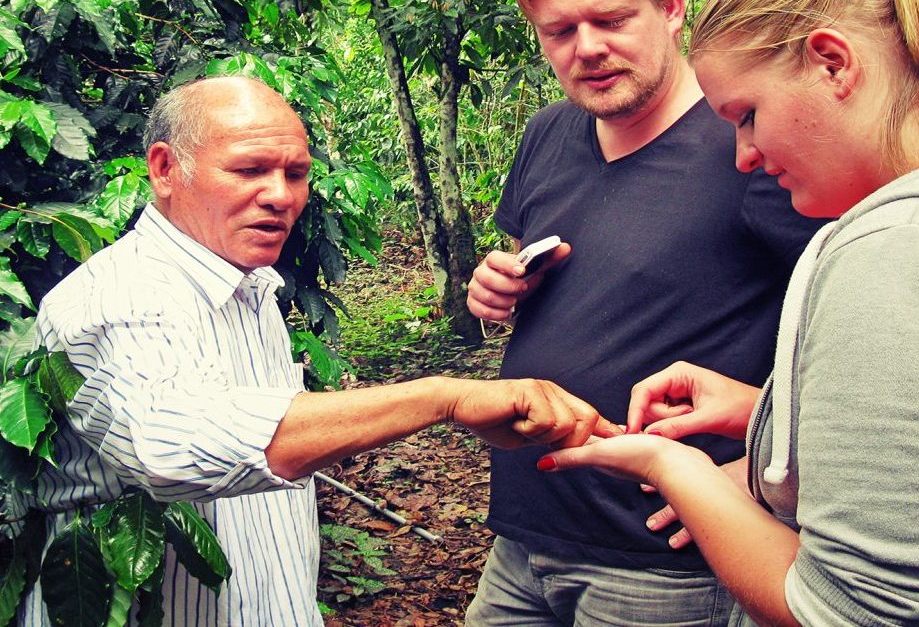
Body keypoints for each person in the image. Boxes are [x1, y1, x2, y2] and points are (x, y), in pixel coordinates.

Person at [540, 0, 919, 626]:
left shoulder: (901, 249)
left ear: (833, 64)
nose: (745, 155)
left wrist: (675, 468)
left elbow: (862, 613)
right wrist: (769, 415)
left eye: (748, 116)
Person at [20, 76, 620, 627]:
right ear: (165, 168)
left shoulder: (249, 286)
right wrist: (445, 398)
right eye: (249, 169)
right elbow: (174, 447)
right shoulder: (120, 296)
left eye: (296, 173)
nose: (280, 196)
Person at [464, 0, 826, 626]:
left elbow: (858, 339)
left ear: (671, 7)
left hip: (664, 563)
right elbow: (563, 273)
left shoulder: (751, 142)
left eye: (611, 20)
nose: (587, 48)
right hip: (525, 536)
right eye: (560, 31)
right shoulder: (549, 133)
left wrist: (761, 473)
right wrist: (496, 284)